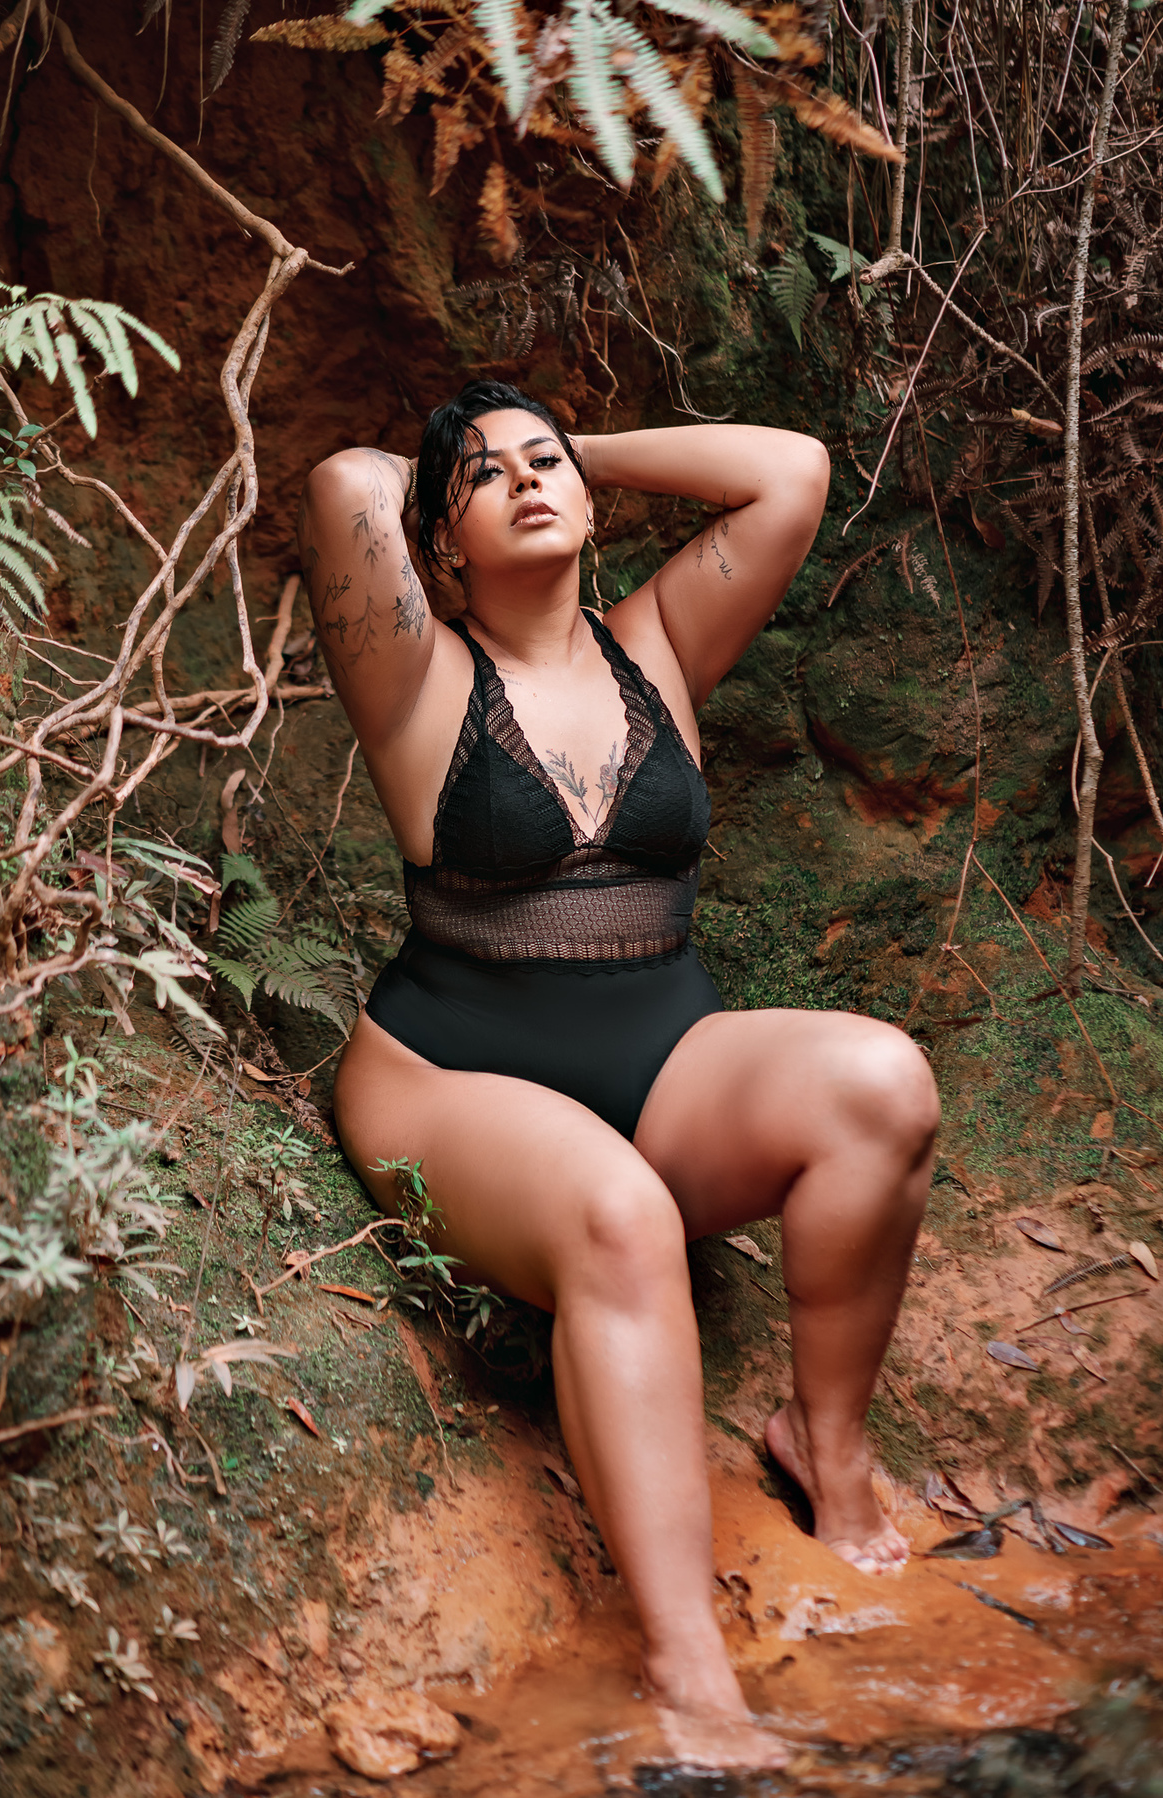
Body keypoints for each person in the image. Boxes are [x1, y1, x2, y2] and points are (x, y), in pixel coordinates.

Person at [298, 381, 939, 1767]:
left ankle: (825, 1445)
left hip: (663, 1059)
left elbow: (790, 467)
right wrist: (456, 458)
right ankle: (688, 1666)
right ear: (440, 538)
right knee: (621, 1215)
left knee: (882, 1083)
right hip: (450, 1075)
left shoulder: (660, 641)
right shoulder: (416, 678)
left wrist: (573, 452)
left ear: (588, 496)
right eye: (486, 476)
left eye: (546, 463)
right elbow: (348, 484)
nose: (527, 481)